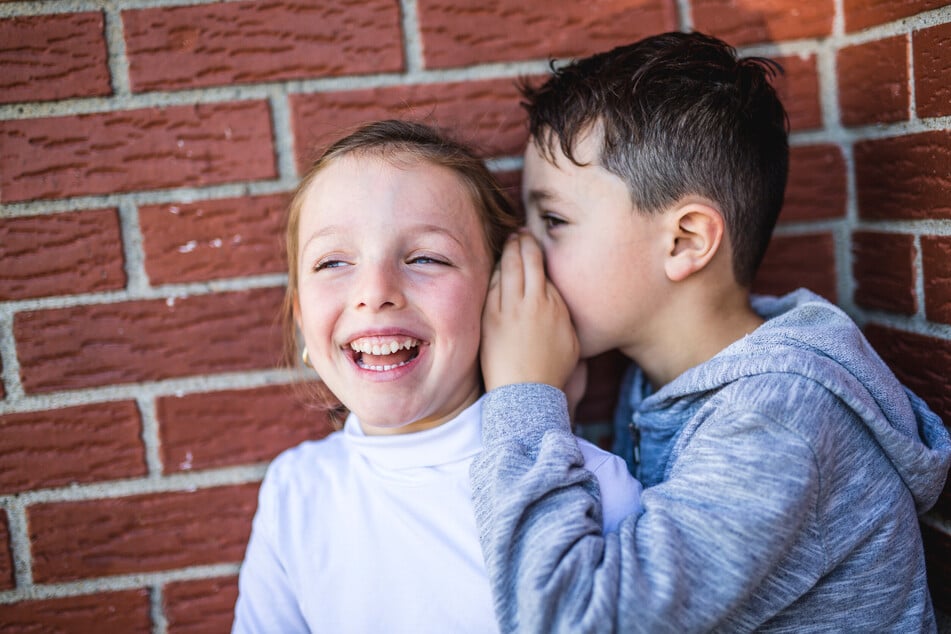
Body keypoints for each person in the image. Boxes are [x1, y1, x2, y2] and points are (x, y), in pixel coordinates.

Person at [472, 31, 951, 633]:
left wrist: (525, 397)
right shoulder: (663, 383)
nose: (526, 253)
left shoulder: (778, 419)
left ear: (686, 241)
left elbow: (570, 621)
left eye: (555, 220)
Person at [230, 119, 643, 633]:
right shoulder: (295, 492)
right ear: (300, 315)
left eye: (426, 257)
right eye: (333, 262)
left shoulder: (594, 486)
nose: (375, 290)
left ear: (499, 297)